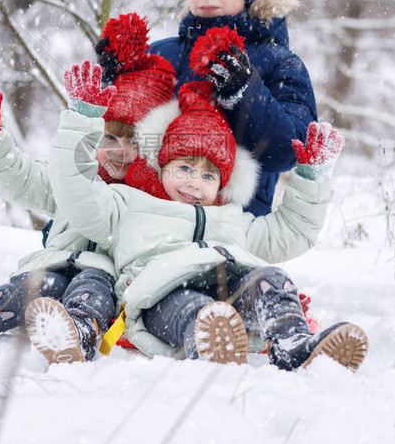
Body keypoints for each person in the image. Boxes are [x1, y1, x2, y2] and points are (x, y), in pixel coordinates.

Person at [39, 72, 368, 372]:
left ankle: (292, 341)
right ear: (162, 165)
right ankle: (208, 341)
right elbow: (75, 189)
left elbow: (291, 232)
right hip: (162, 296)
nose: (194, 182)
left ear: (222, 183)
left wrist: (312, 177)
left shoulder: (233, 219)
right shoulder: (130, 206)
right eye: (184, 168)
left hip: (229, 291)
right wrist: (82, 119)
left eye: (208, 174)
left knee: (273, 279)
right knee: (191, 306)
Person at [0, 14, 176, 365]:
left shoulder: (152, 201)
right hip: (54, 269)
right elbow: (19, 178)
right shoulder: (74, 179)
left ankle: (78, 334)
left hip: (108, 290)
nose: (120, 151)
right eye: (109, 136)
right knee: (33, 287)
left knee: (93, 282)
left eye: (135, 141)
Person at [100, 0, 318, 217]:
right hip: (141, 220)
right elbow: (118, 138)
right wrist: (114, 83)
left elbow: (289, 151)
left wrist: (243, 91)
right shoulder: (162, 52)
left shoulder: (279, 62)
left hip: (230, 230)